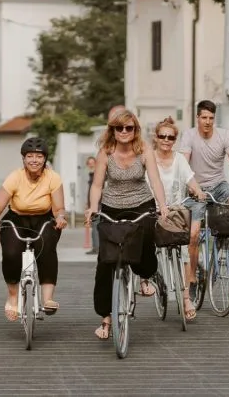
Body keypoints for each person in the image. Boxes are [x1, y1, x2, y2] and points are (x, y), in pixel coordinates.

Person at [85, 108, 169, 340]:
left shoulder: (145, 151)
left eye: (129, 128)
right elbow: (97, 185)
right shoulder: (106, 152)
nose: (124, 132)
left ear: (135, 130)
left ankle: (146, 275)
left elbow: (155, 180)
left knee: (146, 241)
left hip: (141, 204)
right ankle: (106, 319)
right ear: (112, 130)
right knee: (105, 261)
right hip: (112, 206)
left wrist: (162, 205)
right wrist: (93, 207)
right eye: (119, 128)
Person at [178, 99, 229, 296]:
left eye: (211, 118)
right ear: (197, 118)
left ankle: (221, 244)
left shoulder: (224, 135)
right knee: (194, 234)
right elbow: (184, 167)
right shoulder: (189, 135)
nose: (207, 121)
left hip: (219, 186)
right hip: (196, 189)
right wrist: (193, 188)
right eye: (204, 117)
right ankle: (193, 277)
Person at [0, 137, 67, 321]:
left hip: (44, 218)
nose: (34, 160)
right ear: (23, 158)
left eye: (38, 156)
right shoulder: (15, 176)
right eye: (29, 156)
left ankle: (47, 299)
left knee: (47, 249)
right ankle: (13, 297)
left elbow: (58, 208)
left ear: (45, 159)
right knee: (11, 253)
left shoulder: (53, 178)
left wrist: (61, 217)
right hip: (16, 219)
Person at [152, 116, 205, 321]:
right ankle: (149, 279)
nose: (166, 140)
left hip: (175, 211)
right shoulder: (148, 158)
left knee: (183, 252)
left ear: (175, 139)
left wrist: (198, 191)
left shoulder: (179, 160)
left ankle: (185, 298)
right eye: (162, 136)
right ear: (156, 138)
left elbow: (190, 179)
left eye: (171, 137)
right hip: (153, 210)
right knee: (144, 245)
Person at [84, 155, 99, 255]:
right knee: (95, 227)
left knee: (96, 227)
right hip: (93, 206)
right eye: (89, 164)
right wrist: (88, 204)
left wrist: (94, 205)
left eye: (92, 163)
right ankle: (96, 247)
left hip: (97, 206)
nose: (91, 165)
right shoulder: (91, 175)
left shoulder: (97, 175)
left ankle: (96, 248)